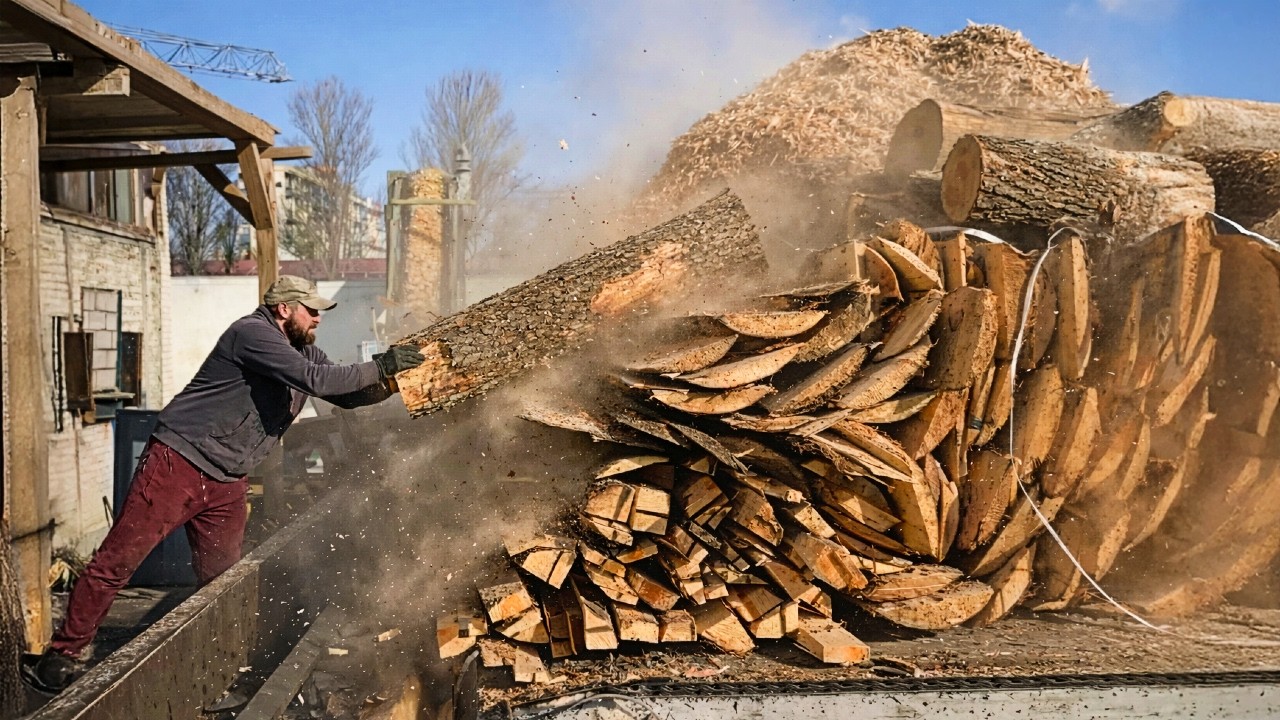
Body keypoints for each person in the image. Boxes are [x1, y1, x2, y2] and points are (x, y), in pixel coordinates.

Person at [24, 275, 424, 694]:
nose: (318, 318)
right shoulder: (252, 334)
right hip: (178, 463)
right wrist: (381, 363)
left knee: (221, 580)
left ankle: (219, 668)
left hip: (227, 479)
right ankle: (62, 660)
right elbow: (317, 381)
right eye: (312, 310)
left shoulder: (302, 348)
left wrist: (392, 383)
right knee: (118, 561)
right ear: (284, 309)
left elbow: (344, 393)